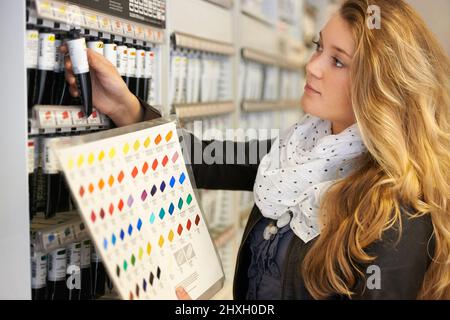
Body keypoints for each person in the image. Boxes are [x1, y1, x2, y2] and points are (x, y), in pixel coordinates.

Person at [61, 0, 450, 300]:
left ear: (381, 85)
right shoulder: (299, 153)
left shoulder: (398, 215)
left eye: (337, 61)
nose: (312, 67)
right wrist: (124, 106)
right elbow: (202, 158)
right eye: (318, 49)